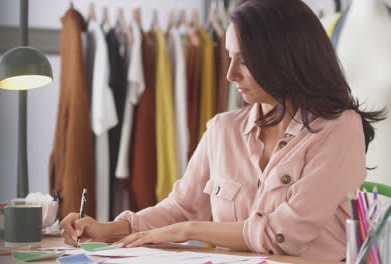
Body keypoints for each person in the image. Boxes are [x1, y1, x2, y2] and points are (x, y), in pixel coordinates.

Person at [60, 0, 386, 261]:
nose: (230, 74)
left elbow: (284, 234)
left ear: (287, 59)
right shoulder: (222, 130)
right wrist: (110, 229)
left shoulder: (339, 128)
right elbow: (182, 207)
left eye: (244, 61)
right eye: (229, 57)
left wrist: (186, 230)